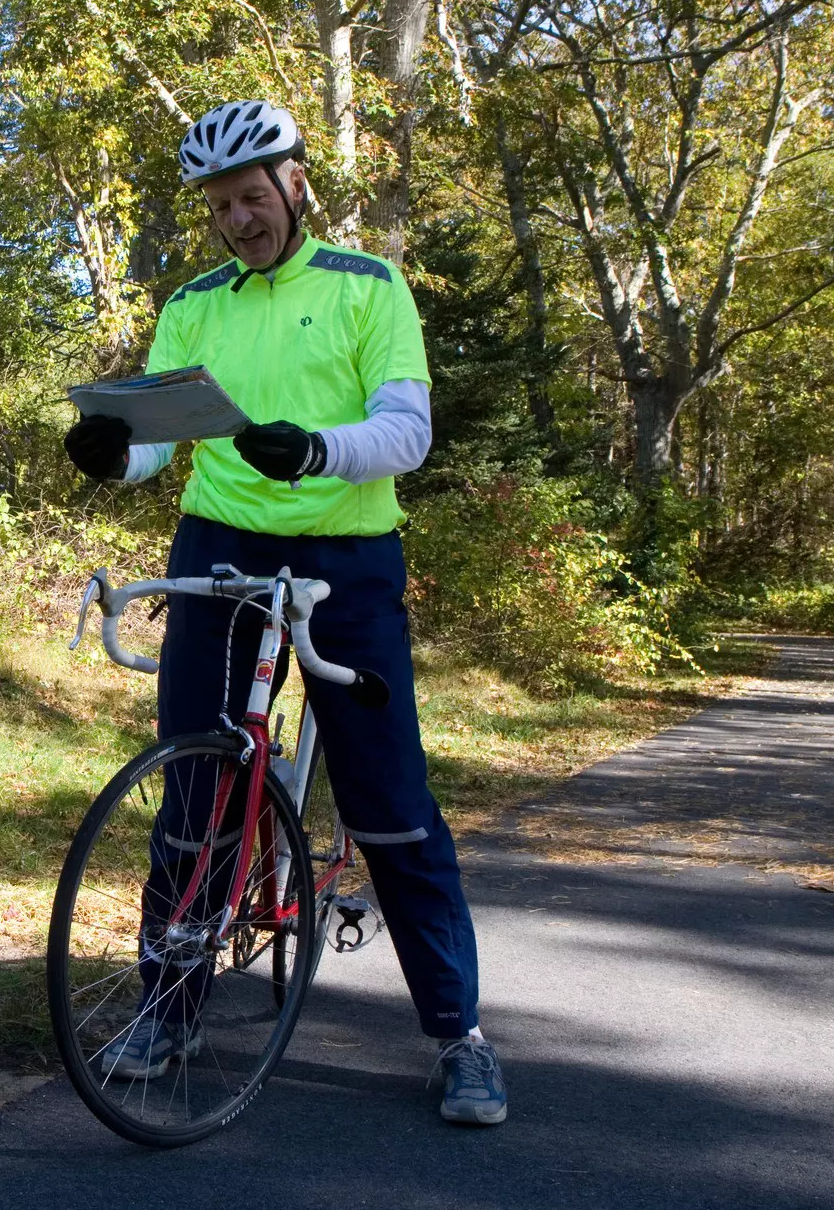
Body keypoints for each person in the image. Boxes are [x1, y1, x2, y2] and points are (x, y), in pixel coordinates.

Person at [63, 100, 506, 1126]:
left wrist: (313, 448)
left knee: (390, 800)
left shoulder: (368, 285)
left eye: (253, 198)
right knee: (196, 784)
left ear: (296, 184)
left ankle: (457, 1033)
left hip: (346, 553)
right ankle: (166, 1008)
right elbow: (156, 439)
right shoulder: (196, 303)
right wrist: (111, 452)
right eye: (221, 206)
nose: (239, 220)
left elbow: (405, 430)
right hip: (220, 544)